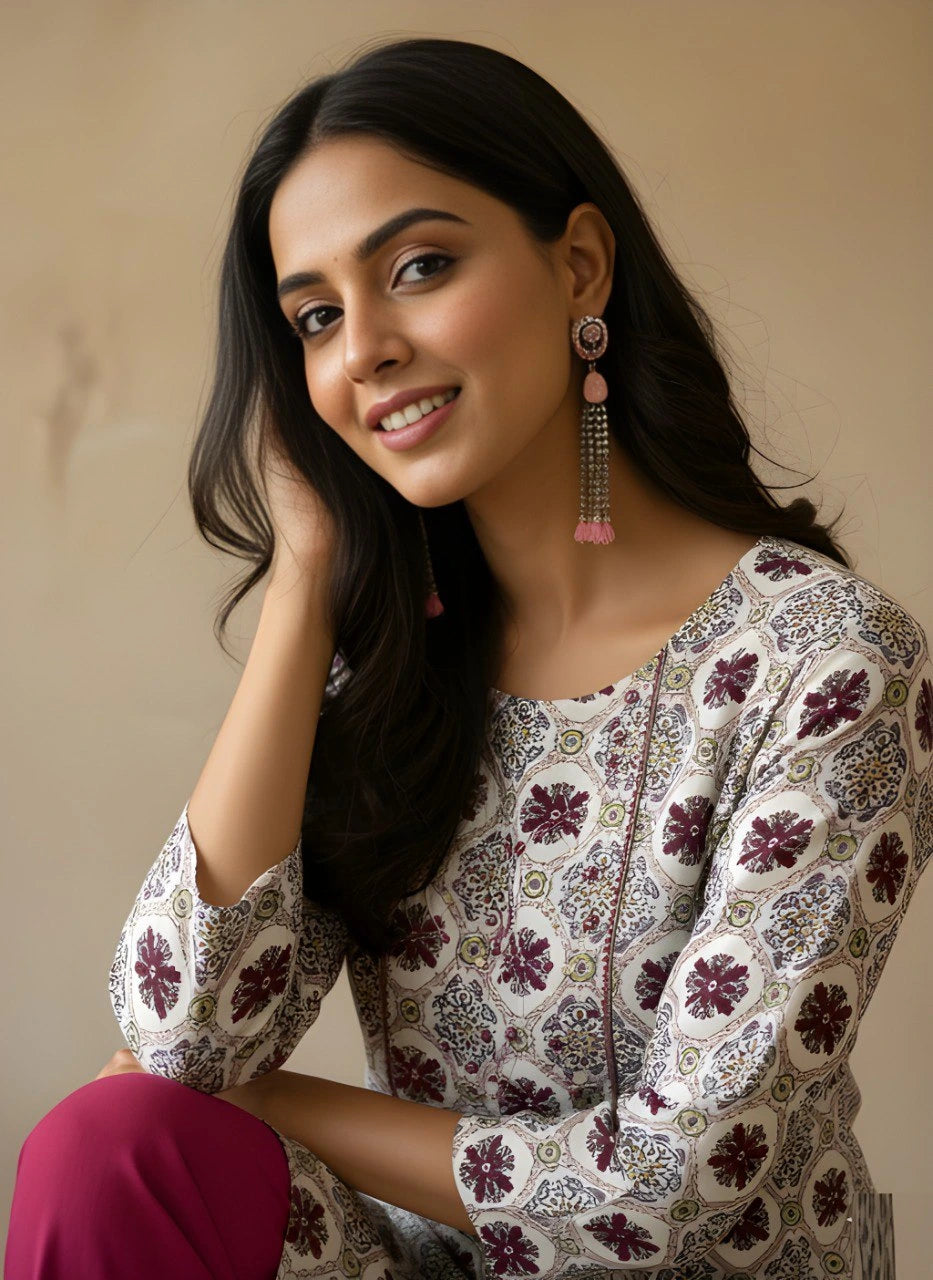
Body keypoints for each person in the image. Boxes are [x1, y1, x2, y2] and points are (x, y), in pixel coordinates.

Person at [6, 34, 930, 1280]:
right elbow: (176, 1044)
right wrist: (305, 579)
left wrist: (277, 1101)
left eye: (421, 267)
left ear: (581, 266)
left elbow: (679, 1183)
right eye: (316, 317)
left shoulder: (824, 659)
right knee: (106, 1148)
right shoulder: (399, 672)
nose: (363, 347)